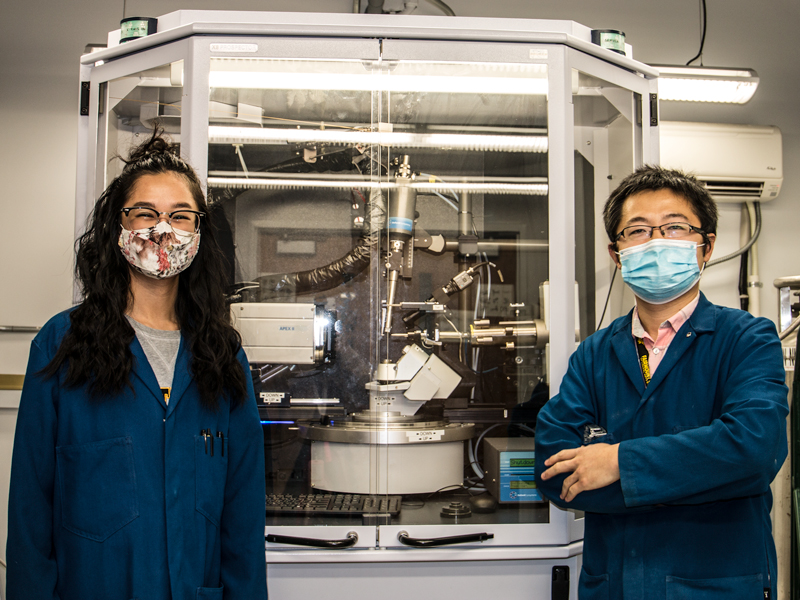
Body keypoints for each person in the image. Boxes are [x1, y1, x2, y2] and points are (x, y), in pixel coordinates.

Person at [7, 132, 268, 600]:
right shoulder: (62, 344)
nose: (162, 229)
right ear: (117, 225)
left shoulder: (221, 357)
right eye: (145, 213)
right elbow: (30, 507)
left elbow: (242, 519)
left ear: (200, 233)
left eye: (180, 215)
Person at [535, 165, 789, 600]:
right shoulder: (594, 353)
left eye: (674, 227)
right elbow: (554, 470)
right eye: (637, 231)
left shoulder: (747, 338)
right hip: (613, 585)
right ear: (616, 254)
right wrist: (702, 476)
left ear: (705, 247)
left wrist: (618, 463)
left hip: (717, 585)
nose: (656, 242)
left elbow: (755, 450)